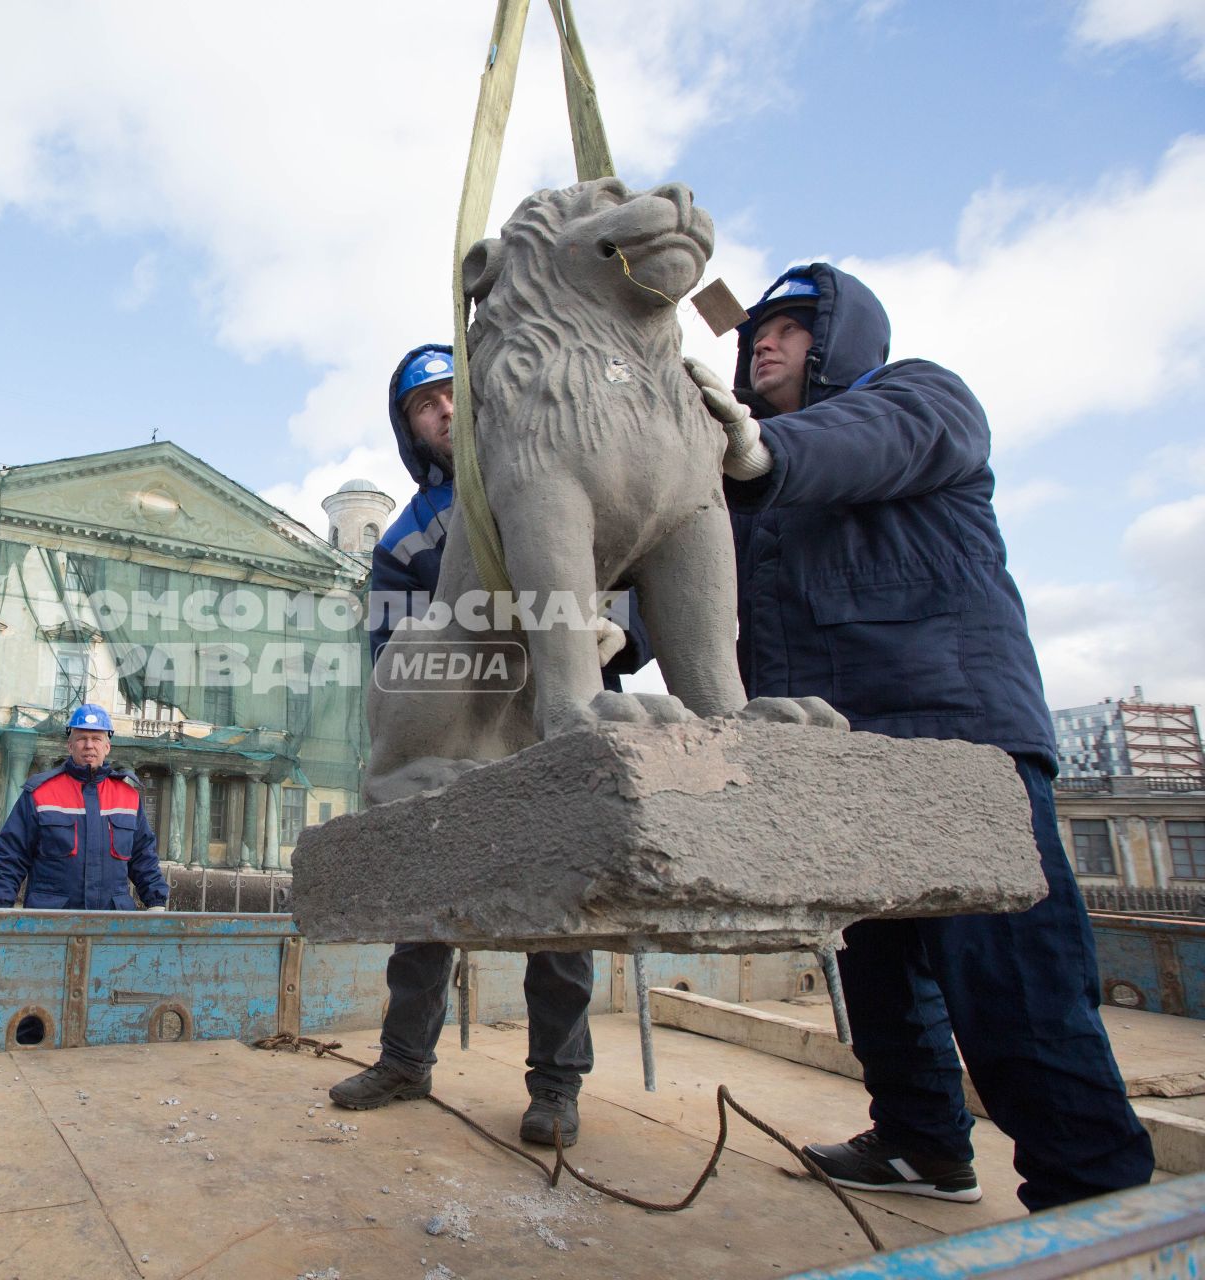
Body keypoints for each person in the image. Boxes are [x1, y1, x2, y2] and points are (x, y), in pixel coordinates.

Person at [688, 263, 1153, 1210]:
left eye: (792, 326)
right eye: (754, 332)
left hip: (955, 742)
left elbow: (860, 444)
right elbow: (694, 582)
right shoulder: (754, 489)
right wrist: (608, 636)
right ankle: (922, 1143)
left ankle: (1100, 1207)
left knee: (1012, 988)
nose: (763, 342)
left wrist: (750, 453)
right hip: (836, 759)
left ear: (842, 339)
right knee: (879, 978)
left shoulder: (916, 400)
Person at [330, 343, 648, 1147]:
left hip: (558, 722)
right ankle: (404, 1059)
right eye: (422, 406)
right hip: (461, 732)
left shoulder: (568, 468)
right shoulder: (407, 537)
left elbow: (643, 574)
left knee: (561, 912)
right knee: (425, 901)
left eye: (451, 395)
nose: (442, 411)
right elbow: (392, 650)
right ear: (410, 429)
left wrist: (624, 636)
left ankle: (556, 1086)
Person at [0, 703, 171, 911]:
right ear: (70, 746)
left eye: (96, 739)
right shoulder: (39, 793)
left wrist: (156, 903)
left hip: (111, 924)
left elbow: (143, 857)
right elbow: (12, 855)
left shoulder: (127, 797)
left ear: (107, 747)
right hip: (51, 922)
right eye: (82, 738)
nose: (89, 745)